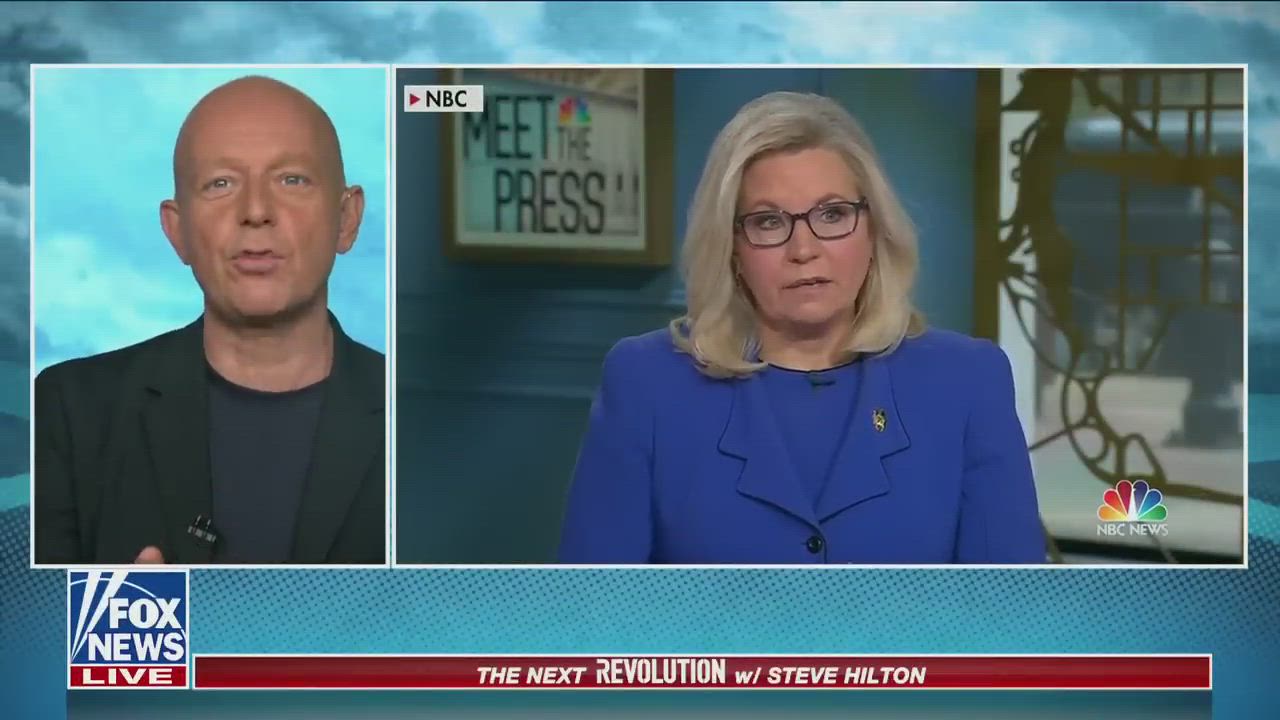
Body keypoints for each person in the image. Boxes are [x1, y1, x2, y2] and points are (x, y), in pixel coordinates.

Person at [558, 91, 1044, 564]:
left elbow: (1009, 607)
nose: (804, 249)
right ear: (731, 246)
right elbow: (591, 607)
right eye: (769, 222)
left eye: (832, 214)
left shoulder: (966, 382)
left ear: (874, 229)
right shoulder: (646, 384)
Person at [34, 76, 385, 565]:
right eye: (221, 184)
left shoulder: (425, 428)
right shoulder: (69, 412)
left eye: (292, 180)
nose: (256, 211)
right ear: (177, 231)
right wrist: (116, 614)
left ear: (346, 219)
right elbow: (28, 611)